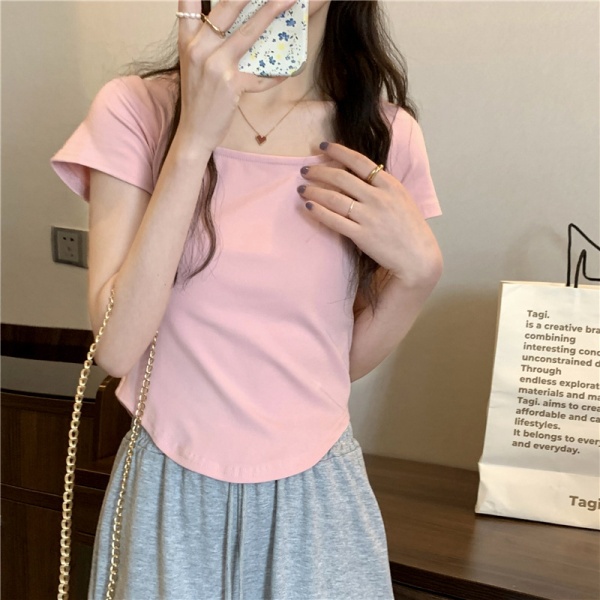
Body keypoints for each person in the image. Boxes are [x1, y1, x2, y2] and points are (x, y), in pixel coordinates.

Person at [51, 0, 442, 598]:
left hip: (318, 501)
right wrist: (193, 139)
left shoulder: (382, 135)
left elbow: (331, 365)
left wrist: (420, 275)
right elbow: (117, 347)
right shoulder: (137, 109)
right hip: (168, 491)